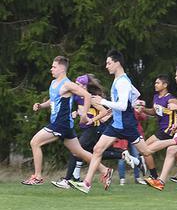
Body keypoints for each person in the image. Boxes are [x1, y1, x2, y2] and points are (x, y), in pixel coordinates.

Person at [73, 50, 164, 192]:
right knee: (97, 149)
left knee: (146, 151)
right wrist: (130, 104)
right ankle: (86, 184)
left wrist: (103, 101)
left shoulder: (122, 82)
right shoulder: (120, 79)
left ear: (117, 63)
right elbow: (136, 94)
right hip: (117, 124)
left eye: (109, 63)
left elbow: (122, 105)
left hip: (127, 125)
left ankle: (176, 141)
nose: (106, 66)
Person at [24, 56, 112, 185]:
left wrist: (83, 116)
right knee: (79, 152)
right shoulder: (54, 83)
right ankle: (105, 170)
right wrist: (41, 106)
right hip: (63, 125)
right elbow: (53, 100)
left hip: (61, 124)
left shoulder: (67, 84)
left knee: (35, 142)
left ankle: (37, 177)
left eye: (54, 67)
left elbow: (86, 95)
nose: (51, 69)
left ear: (61, 68)